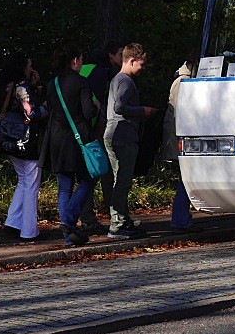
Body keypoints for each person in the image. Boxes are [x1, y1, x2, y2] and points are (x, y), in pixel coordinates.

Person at [40, 43, 98, 247]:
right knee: (87, 181)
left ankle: (69, 237)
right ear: (75, 60)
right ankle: (69, 220)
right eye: (81, 60)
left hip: (56, 139)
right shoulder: (81, 82)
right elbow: (88, 112)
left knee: (64, 187)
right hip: (78, 139)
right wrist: (96, 106)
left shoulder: (52, 83)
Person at [104, 42, 158, 239]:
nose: (142, 68)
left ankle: (122, 221)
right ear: (132, 60)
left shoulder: (116, 79)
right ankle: (117, 225)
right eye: (141, 64)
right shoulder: (125, 81)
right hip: (122, 136)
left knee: (121, 180)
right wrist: (141, 111)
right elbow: (120, 107)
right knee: (122, 182)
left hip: (115, 134)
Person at [0, 53, 46, 241]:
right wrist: (46, 106)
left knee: (23, 180)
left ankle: (13, 222)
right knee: (32, 183)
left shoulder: (10, 87)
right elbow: (31, 113)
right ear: (22, 68)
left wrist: (34, 86)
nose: (31, 69)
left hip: (11, 140)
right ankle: (29, 231)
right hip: (27, 142)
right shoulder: (22, 88)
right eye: (29, 66)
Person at [78, 41, 122, 235]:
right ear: (111, 55)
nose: (122, 59)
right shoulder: (103, 73)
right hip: (94, 131)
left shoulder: (84, 69)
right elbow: (96, 104)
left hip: (76, 130)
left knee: (86, 176)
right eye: (120, 54)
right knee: (100, 173)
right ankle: (113, 217)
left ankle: (89, 217)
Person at [161, 61, 200, 233]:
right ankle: (179, 219)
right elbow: (180, 114)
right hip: (182, 139)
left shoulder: (184, 80)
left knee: (185, 180)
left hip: (182, 139)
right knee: (185, 180)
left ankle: (182, 218)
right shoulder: (183, 82)